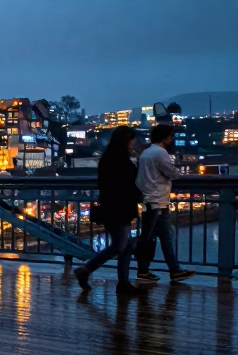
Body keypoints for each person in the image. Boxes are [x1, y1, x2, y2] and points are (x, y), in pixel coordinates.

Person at [75, 126, 141, 295]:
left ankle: (123, 282)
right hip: (120, 207)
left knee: (124, 245)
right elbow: (128, 184)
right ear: (127, 140)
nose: (134, 142)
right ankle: (86, 270)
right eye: (132, 139)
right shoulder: (123, 160)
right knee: (119, 245)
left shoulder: (108, 158)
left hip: (113, 206)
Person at [135, 123, 195, 283]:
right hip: (158, 200)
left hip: (150, 200)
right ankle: (146, 270)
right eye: (170, 135)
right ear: (164, 137)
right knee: (153, 238)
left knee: (158, 236)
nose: (172, 138)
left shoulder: (145, 153)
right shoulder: (161, 153)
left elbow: (139, 179)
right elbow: (173, 173)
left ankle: (170, 269)